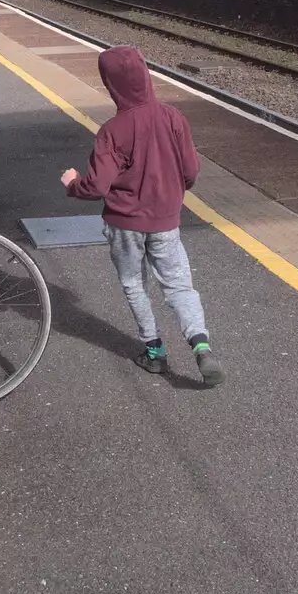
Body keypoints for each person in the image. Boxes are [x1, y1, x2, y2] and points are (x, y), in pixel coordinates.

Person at [60, 46, 225, 387]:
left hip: (124, 224)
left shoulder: (112, 130)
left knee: (135, 285)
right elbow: (191, 170)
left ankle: (155, 353)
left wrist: (73, 183)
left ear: (110, 84)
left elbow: (97, 186)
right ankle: (201, 346)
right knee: (179, 285)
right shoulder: (172, 117)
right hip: (166, 219)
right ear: (145, 76)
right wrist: (171, 194)